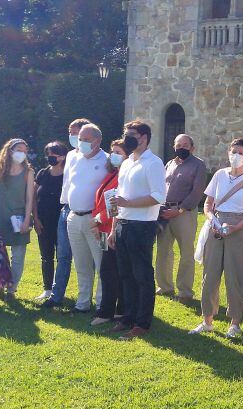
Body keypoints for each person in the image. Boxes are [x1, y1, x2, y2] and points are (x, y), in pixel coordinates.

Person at [188, 139, 243, 338]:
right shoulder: (220, 175)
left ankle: (235, 323)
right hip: (216, 227)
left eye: (240, 152)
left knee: (235, 276)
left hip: (239, 230)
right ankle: (207, 320)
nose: (235, 156)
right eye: (233, 152)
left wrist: (236, 227)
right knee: (210, 275)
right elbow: (208, 204)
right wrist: (213, 219)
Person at [110, 121, 166, 340]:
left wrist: (128, 204)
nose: (127, 138)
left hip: (142, 226)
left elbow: (158, 197)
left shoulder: (153, 163)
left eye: (131, 135)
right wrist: (115, 227)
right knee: (125, 275)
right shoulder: (126, 163)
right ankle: (127, 317)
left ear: (143, 137)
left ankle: (142, 323)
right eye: (125, 134)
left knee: (142, 275)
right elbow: (119, 198)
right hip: (123, 223)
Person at [44, 123, 109, 312]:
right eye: (79, 138)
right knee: (81, 264)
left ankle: (102, 304)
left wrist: (102, 219)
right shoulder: (72, 156)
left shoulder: (106, 160)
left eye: (85, 139)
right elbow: (67, 183)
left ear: (97, 141)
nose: (80, 142)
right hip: (73, 215)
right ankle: (82, 303)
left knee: (101, 264)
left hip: (96, 220)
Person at [156, 133, 208, 302]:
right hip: (164, 212)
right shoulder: (169, 164)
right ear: (174, 147)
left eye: (185, 145)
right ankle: (165, 286)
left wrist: (179, 210)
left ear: (192, 148)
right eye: (178, 145)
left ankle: (184, 291)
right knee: (163, 251)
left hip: (184, 213)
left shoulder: (198, 165)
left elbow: (197, 191)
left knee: (186, 252)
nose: (181, 148)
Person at [90, 138, 133, 327]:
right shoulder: (113, 173)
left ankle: (107, 311)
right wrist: (96, 221)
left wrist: (98, 219)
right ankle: (118, 309)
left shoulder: (123, 177)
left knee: (110, 271)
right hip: (103, 229)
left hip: (112, 229)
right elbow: (100, 199)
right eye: (112, 151)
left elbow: (114, 207)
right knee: (111, 270)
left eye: (119, 152)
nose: (114, 155)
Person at [0, 138, 36, 298]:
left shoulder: (28, 172)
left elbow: (30, 198)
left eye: (25, 151)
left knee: (18, 255)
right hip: (0, 216)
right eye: (19, 150)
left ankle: (12, 288)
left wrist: (28, 219)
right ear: (10, 151)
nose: (22, 153)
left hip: (19, 218)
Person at [33, 141, 69, 301]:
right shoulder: (42, 173)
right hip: (43, 221)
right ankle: (47, 289)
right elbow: (33, 197)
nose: (50, 157)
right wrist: (35, 218)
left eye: (53, 154)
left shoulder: (68, 173)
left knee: (63, 256)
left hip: (62, 221)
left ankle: (58, 290)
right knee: (46, 256)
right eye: (48, 154)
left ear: (62, 155)